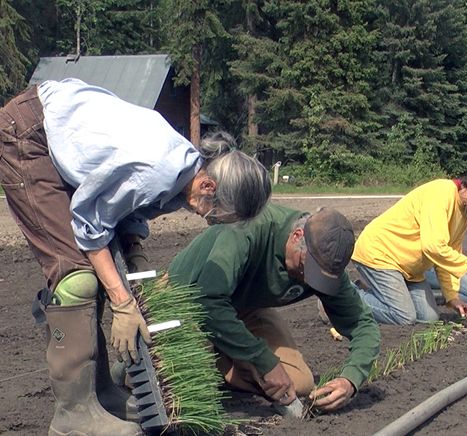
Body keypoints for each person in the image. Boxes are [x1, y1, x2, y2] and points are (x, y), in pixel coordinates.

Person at [0, 79, 271, 436]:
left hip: (50, 126)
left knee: (99, 274)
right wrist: (123, 303)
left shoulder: (184, 171)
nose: (207, 220)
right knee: (77, 279)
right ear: (209, 186)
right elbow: (90, 223)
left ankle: (103, 398)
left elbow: (124, 208)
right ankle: (74, 416)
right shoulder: (159, 170)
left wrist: (136, 254)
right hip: (29, 134)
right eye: (214, 215)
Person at [166, 205, 380, 412]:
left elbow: (363, 324)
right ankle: (207, 361)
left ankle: (223, 358)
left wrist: (350, 380)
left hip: (241, 308)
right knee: (187, 389)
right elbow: (207, 299)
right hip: (188, 300)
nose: (312, 281)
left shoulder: (326, 265)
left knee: (299, 382)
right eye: (309, 270)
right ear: (296, 236)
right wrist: (264, 361)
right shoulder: (250, 226)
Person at [352, 166, 467, 325]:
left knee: (428, 317)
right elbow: (433, 247)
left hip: (408, 268)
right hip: (380, 254)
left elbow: (444, 260)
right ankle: (343, 295)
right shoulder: (442, 193)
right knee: (404, 316)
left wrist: (452, 298)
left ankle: (380, 293)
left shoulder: (462, 214)